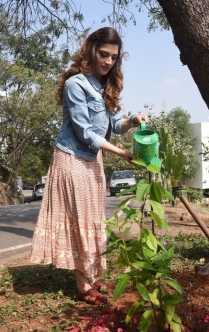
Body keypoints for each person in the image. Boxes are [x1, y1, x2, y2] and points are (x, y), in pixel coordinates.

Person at [30, 27, 148, 305]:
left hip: (92, 160)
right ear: (92, 51)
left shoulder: (101, 85)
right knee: (79, 220)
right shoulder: (76, 85)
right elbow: (85, 132)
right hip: (71, 159)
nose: (107, 61)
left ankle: (92, 276)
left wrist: (133, 121)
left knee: (93, 218)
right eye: (103, 54)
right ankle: (83, 286)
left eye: (113, 57)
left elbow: (113, 126)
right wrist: (121, 153)